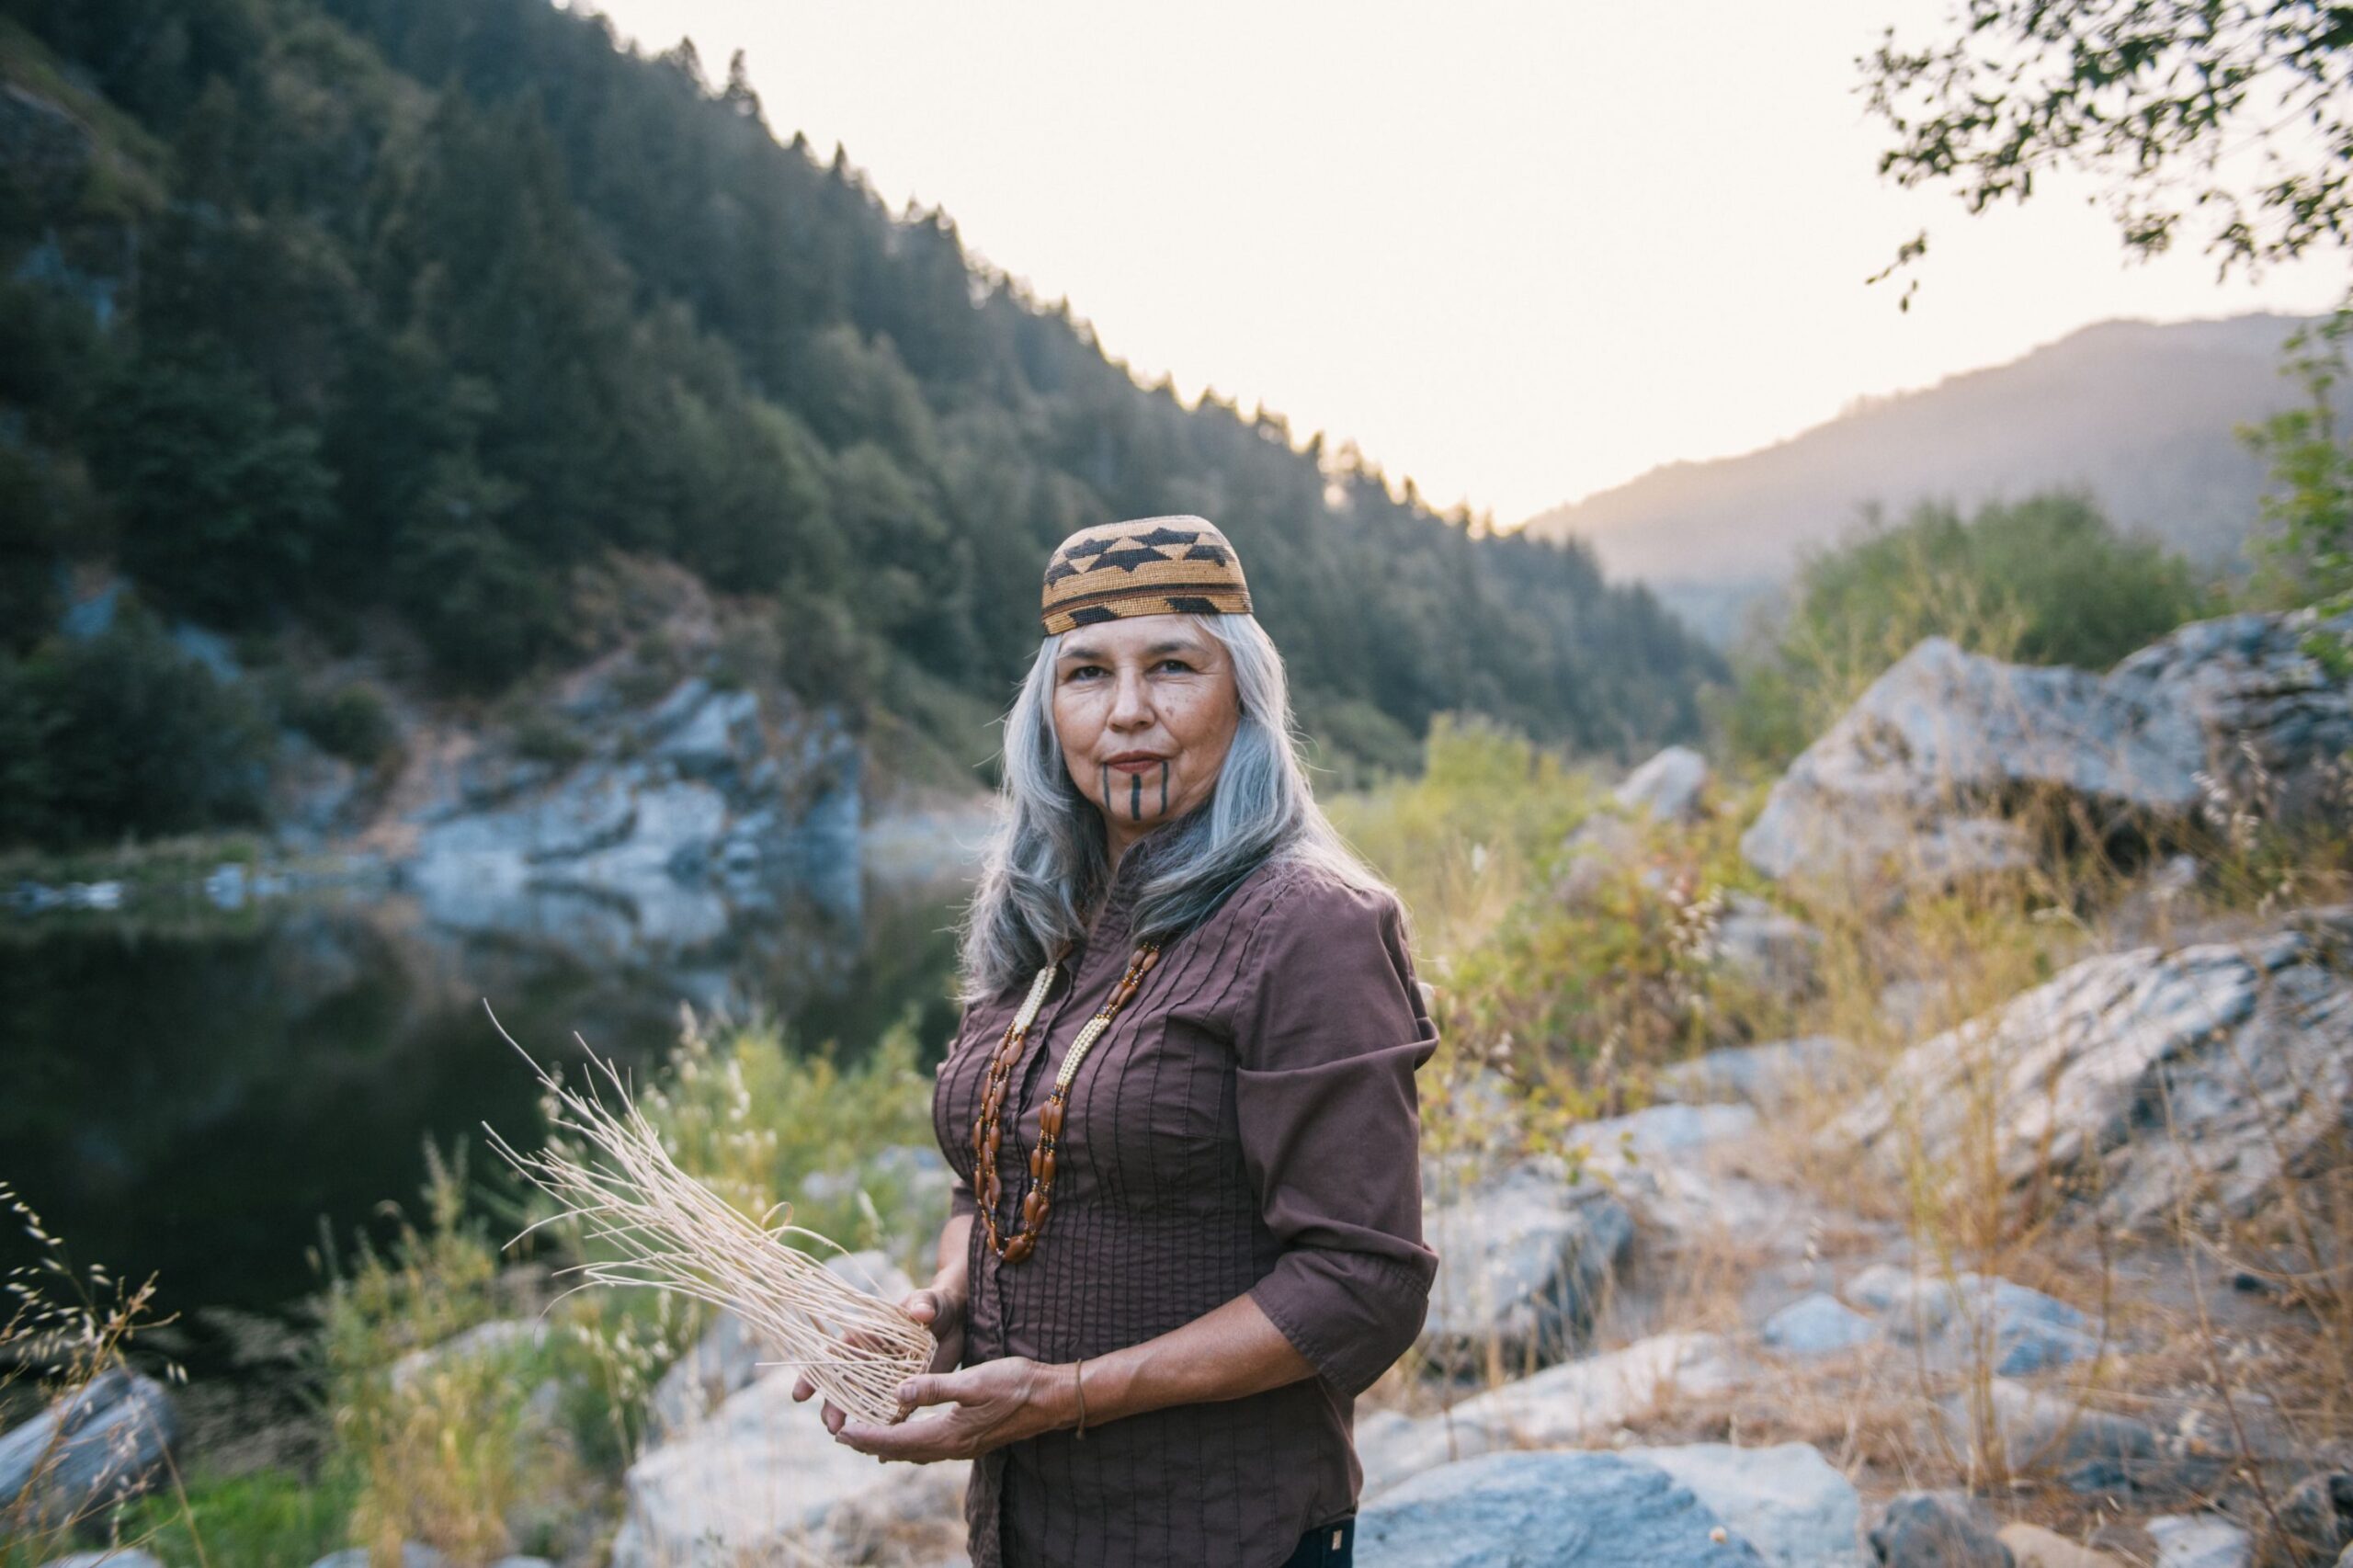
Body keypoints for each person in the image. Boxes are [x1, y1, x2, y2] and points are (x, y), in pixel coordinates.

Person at [793, 515, 1438, 1568]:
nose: (1128, 710)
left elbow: (1362, 1282)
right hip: (1025, 1528)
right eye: (1087, 671)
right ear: (1047, 711)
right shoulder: (1039, 916)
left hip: (1227, 1530)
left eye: (1173, 665)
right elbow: (992, 1181)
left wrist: (1065, 1395)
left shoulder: (1312, 924)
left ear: (1243, 692)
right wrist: (942, 1309)